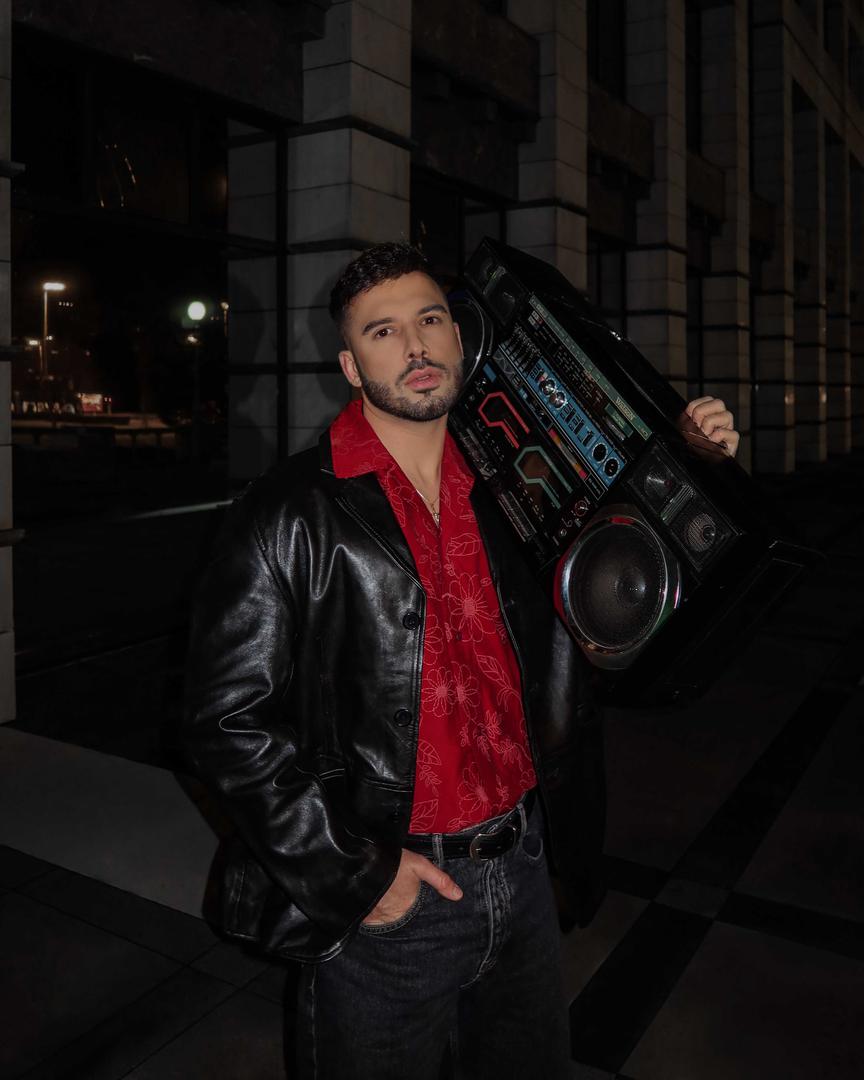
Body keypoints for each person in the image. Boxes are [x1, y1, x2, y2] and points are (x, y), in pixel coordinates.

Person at [183, 243, 739, 1080]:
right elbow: (223, 722)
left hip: (524, 869)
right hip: (393, 895)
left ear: (458, 337)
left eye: (430, 319)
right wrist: (356, 876)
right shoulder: (288, 513)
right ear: (349, 365)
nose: (415, 345)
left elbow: (638, 591)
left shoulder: (525, 490)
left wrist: (695, 461)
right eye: (383, 331)